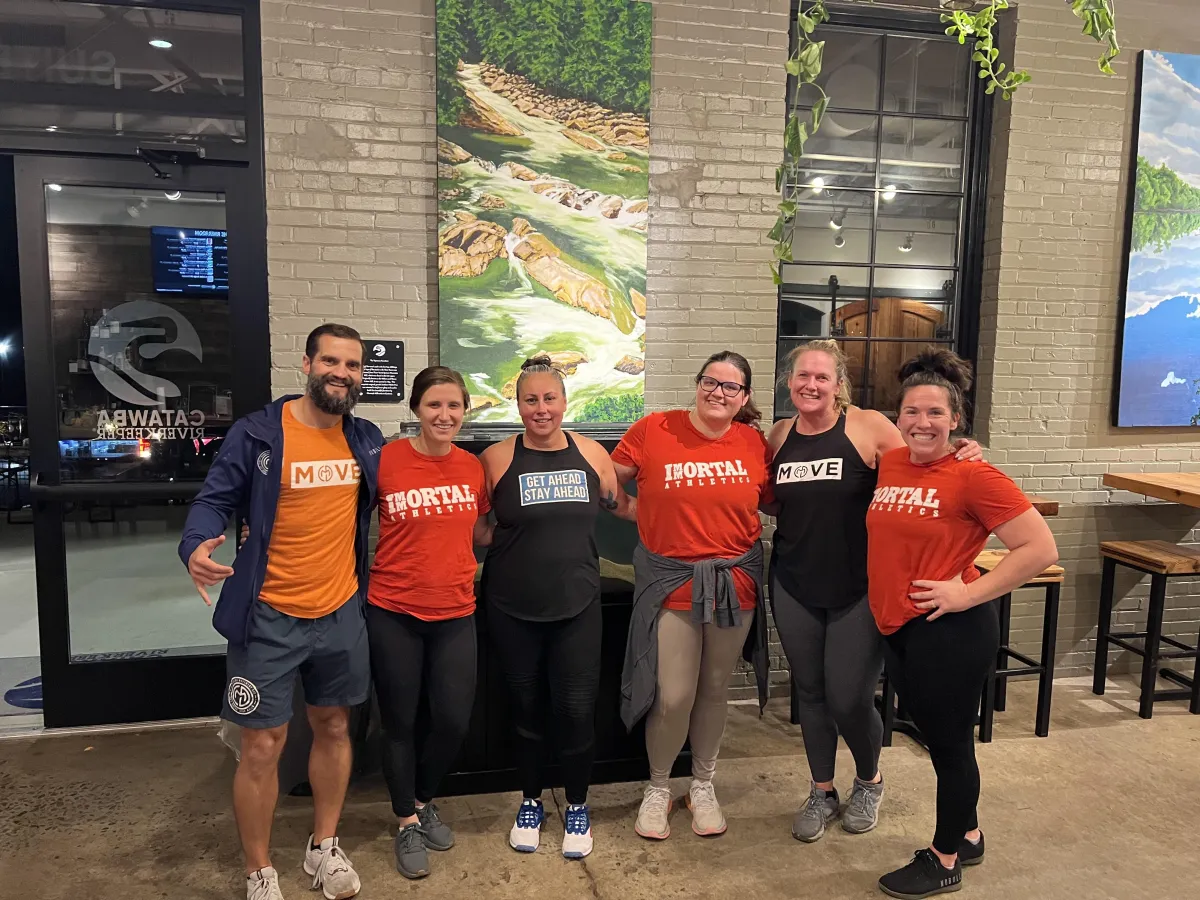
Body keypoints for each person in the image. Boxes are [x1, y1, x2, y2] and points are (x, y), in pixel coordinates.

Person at [180, 323, 382, 900]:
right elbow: (214, 499)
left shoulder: (365, 438)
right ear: (308, 364)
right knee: (262, 745)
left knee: (335, 726)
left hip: (340, 611)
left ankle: (324, 846)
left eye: (352, 365)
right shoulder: (259, 433)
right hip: (268, 616)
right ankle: (259, 870)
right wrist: (194, 544)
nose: (342, 373)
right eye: (331, 361)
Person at [766, 340, 981, 843]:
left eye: (822, 377)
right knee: (810, 692)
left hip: (861, 587)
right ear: (789, 383)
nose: (811, 385)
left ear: (839, 383)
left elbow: (923, 459)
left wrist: (963, 450)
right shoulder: (778, 435)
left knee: (848, 697)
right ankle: (821, 789)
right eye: (802, 376)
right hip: (794, 580)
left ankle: (869, 780)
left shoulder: (868, 427)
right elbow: (773, 502)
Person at [867, 348, 1057, 899]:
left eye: (935, 413)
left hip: (948, 629)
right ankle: (968, 835)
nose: (922, 422)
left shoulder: (974, 475)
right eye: (912, 411)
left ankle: (944, 858)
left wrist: (968, 592)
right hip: (899, 625)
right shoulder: (893, 462)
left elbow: (1039, 547)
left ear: (956, 419)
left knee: (950, 747)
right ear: (898, 417)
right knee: (939, 739)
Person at [478, 355, 633, 860]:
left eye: (549, 398)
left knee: (576, 711)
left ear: (565, 402)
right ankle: (530, 801)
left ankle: (578, 804)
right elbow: (478, 529)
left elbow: (621, 505)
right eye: (531, 399)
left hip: (577, 606)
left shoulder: (592, 454)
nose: (540, 408)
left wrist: (686, 515)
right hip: (511, 606)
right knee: (524, 711)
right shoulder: (496, 458)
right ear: (517, 404)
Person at [616, 350, 773, 842]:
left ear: (744, 397)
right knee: (673, 695)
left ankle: (702, 784)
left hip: (734, 583)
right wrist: (638, 513)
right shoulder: (654, 429)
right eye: (710, 381)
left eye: (730, 387)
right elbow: (607, 480)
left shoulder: (754, 443)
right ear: (698, 383)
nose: (718, 393)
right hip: (672, 582)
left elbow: (776, 499)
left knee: (714, 689)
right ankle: (659, 786)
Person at [367, 367, 493, 880]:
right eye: (434, 405)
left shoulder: (472, 467)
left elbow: (481, 531)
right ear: (416, 408)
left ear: (465, 410)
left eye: (454, 406)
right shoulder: (385, 460)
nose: (444, 415)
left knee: (453, 721)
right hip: (393, 610)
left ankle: (421, 801)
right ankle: (405, 821)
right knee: (399, 723)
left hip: (456, 611)